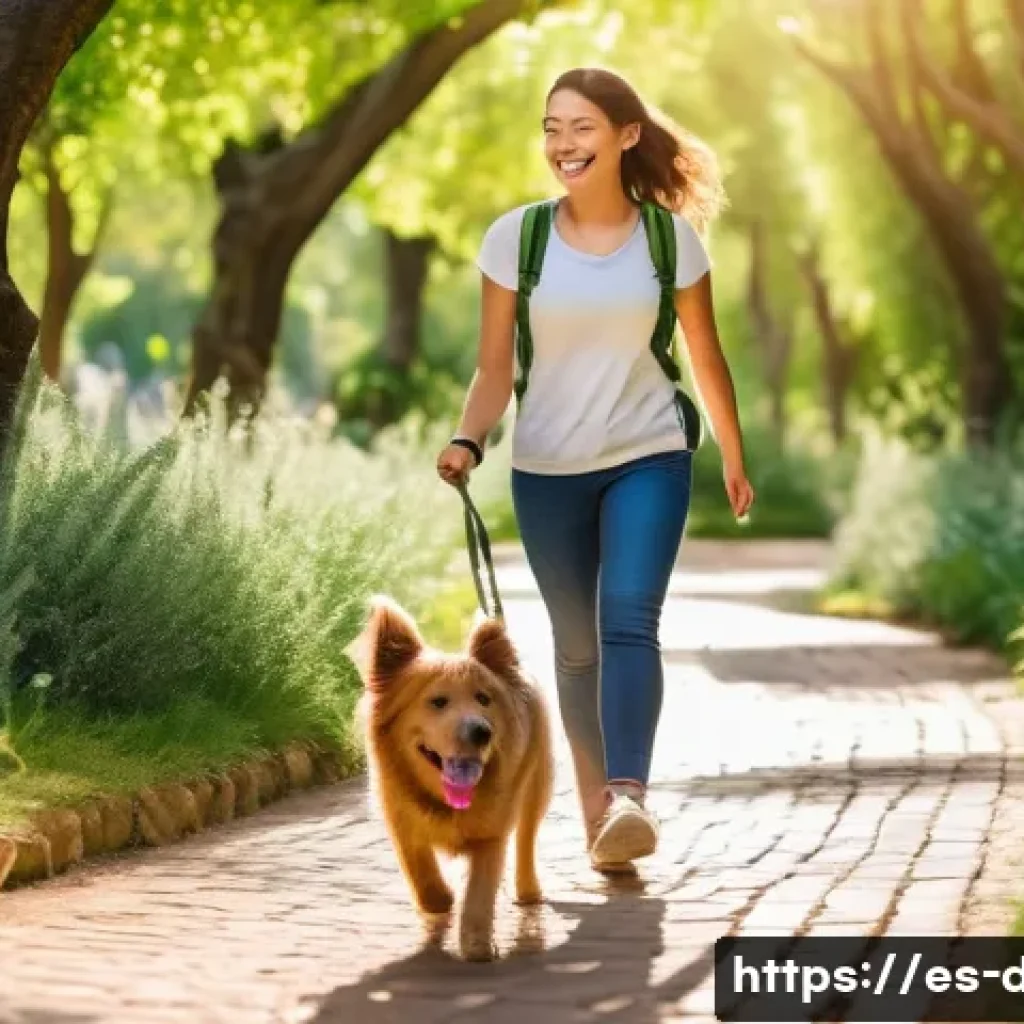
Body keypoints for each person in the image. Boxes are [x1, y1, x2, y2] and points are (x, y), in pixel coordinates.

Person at [436, 67, 754, 873]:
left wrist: (732, 453)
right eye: (551, 128)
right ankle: (599, 822)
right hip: (547, 468)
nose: (563, 145)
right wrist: (468, 440)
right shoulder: (517, 238)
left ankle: (629, 796)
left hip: (649, 453)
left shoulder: (668, 239)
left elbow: (705, 356)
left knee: (626, 622)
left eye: (580, 127)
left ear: (626, 136)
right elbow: (492, 369)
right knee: (576, 650)